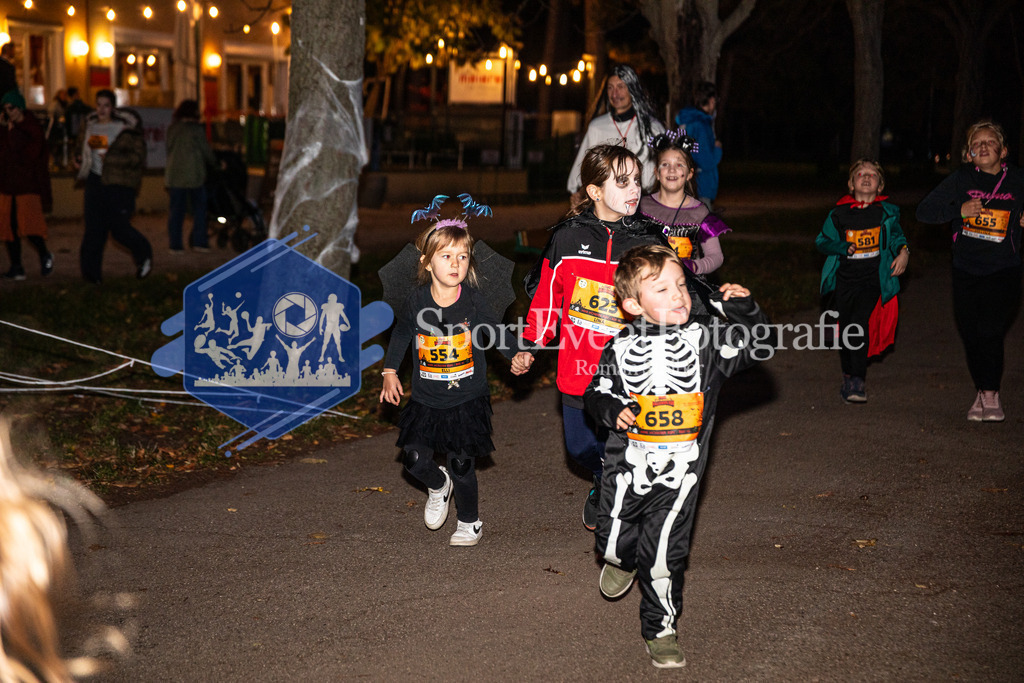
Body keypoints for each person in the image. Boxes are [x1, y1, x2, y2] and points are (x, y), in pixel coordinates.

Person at [582, 244, 770, 668]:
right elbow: (597, 392)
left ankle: (660, 627)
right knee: (612, 542)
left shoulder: (706, 341)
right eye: (663, 289)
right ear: (632, 305)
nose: (679, 295)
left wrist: (744, 309)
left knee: (665, 556)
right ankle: (622, 560)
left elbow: (759, 347)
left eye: (682, 285)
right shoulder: (620, 346)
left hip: (681, 475)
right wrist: (611, 409)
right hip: (624, 470)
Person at [513, 144, 667, 531]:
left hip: (631, 370)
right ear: (595, 192)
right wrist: (531, 344)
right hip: (579, 366)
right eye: (622, 181)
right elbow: (549, 296)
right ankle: (603, 477)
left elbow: (670, 297)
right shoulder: (567, 240)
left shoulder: (648, 240)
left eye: (636, 180)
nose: (634, 188)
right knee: (580, 447)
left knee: (627, 443)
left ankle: (620, 492)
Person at [379, 219, 516, 547]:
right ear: (427, 262)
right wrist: (389, 371)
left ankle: (470, 522)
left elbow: (495, 329)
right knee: (413, 460)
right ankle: (438, 485)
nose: (456, 263)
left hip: (467, 397)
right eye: (446, 256)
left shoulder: (472, 300)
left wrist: (515, 355)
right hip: (426, 398)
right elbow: (401, 333)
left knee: (460, 462)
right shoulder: (416, 301)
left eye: (463, 256)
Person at [916, 120, 1024, 422]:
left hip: (1004, 269)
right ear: (968, 154)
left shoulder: (1018, 180)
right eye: (977, 143)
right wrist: (957, 210)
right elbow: (923, 211)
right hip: (966, 270)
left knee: (990, 330)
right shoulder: (961, 179)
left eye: (990, 142)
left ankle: (991, 393)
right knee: (971, 334)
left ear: (1003, 151)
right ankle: (981, 391)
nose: (983, 146)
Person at [816, 159, 909, 403]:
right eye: (860, 174)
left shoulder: (886, 212)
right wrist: (841, 246)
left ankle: (857, 380)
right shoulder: (838, 213)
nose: (866, 177)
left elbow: (898, 237)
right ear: (850, 183)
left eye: (873, 175)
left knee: (859, 322)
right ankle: (848, 374)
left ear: (880, 186)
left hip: (873, 280)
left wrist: (904, 252)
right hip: (844, 281)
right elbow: (821, 242)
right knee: (848, 328)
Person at [639, 130, 730, 311]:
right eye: (665, 164)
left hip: (688, 294)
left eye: (679, 165)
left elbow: (716, 256)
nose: (672, 170)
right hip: (647, 290)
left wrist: (695, 266)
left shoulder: (700, 213)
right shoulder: (641, 207)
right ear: (656, 172)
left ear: (689, 173)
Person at [75, 90, 153, 283]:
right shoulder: (90, 127)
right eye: (98, 104)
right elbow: (83, 152)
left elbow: (137, 158)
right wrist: (79, 162)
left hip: (118, 185)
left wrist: (111, 158)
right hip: (95, 182)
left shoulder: (122, 129)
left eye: (106, 105)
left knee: (119, 229)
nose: (101, 109)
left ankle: (144, 254)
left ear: (113, 108)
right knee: (94, 231)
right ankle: (92, 278)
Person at [567, 64, 665, 195]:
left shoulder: (652, 127)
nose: (614, 94)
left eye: (620, 87)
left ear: (632, 89)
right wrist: (576, 192)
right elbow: (581, 167)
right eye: (610, 88)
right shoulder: (597, 127)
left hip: (644, 200)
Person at [0, 89, 54, 281]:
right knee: (9, 227)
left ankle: (44, 254)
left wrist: (12, 134)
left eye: (12, 108)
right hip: (8, 185)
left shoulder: (31, 128)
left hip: (27, 185)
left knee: (29, 227)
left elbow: (30, 156)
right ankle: (17, 266)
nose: (9, 112)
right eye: (5, 109)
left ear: (20, 107)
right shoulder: (8, 128)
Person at [165, 99, 216, 254]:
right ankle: (199, 242)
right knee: (199, 210)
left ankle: (175, 244)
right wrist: (216, 164)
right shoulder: (196, 130)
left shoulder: (172, 129)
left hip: (174, 176)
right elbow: (206, 152)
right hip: (194, 175)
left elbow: (169, 148)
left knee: (176, 212)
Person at [674, 81, 723, 206]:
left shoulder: (687, 121)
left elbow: (692, 149)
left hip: (685, 183)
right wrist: (717, 149)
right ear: (711, 100)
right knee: (704, 224)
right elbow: (706, 160)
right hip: (701, 185)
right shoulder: (701, 125)